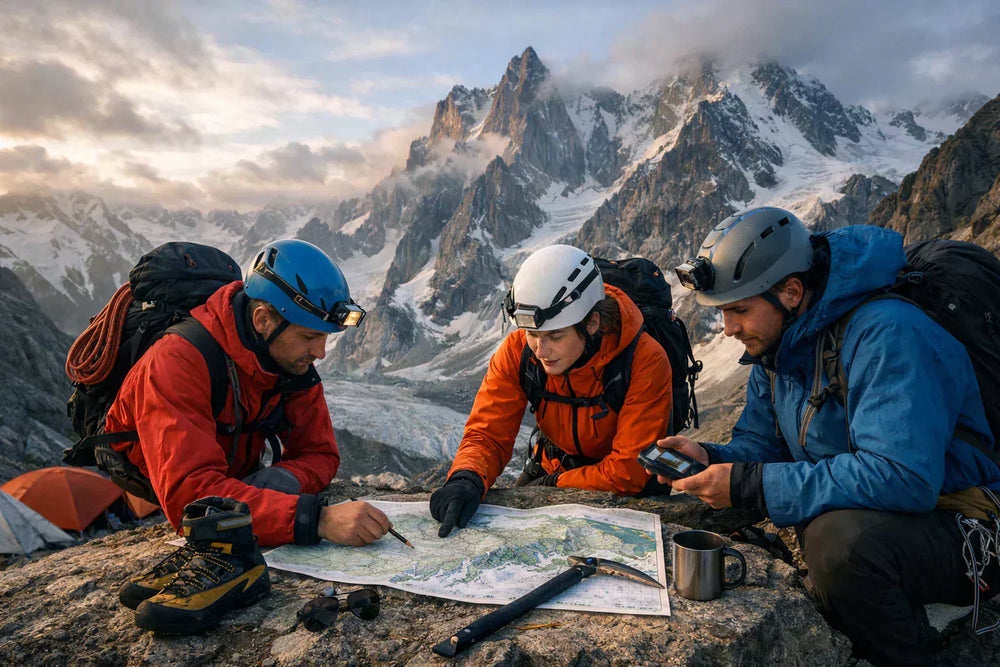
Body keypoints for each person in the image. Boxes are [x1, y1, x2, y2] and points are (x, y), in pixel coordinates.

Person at [652, 207, 1000, 666]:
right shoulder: (778, 345)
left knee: (839, 544)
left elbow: (903, 476)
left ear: (791, 292)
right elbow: (763, 446)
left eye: (739, 310)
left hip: (966, 518)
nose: (729, 329)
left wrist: (749, 484)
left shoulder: (888, 333)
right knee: (832, 535)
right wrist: (712, 457)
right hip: (897, 516)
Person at [104, 239, 392, 628]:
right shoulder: (176, 361)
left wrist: (272, 483)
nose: (320, 352)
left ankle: (225, 536)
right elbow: (192, 496)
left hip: (225, 476)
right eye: (310, 337)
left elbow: (321, 454)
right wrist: (316, 519)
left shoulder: (287, 358)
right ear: (263, 320)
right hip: (165, 481)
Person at [430, 245, 673, 537]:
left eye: (555, 336)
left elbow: (627, 472)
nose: (541, 351)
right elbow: (488, 433)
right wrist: (466, 477)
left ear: (592, 323)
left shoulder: (644, 360)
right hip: (552, 466)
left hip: (620, 484)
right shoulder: (518, 351)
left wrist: (553, 485)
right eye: (532, 334)